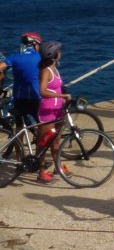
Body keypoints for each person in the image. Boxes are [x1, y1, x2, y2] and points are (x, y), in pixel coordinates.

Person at [36, 42, 72, 183]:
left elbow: (56, 88)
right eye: (59, 51)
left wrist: (64, 94)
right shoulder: (46, 70)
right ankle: (41, 171)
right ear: (54, 54)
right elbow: (42, 91)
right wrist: (61, 96)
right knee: (43, 143)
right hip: (47, 111)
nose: (61, 53)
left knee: (56, 141)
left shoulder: (54, 68)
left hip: (58, 110)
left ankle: (57, 167)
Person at [8, 32, 43, 127]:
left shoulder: (14, 56)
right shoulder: (39, 57)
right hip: (35, 97)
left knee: (20, 127)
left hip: (19, 98)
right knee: (41, 125)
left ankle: (19, 141)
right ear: (35, 44)